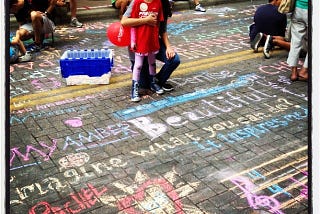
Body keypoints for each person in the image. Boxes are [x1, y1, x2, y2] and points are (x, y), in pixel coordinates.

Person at [121, 0, 180, 99]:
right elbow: (124, 21)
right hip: (139, 43)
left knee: (173, 59)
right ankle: (140, 85)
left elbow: (162, 30)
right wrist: (145, 20)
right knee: (143, 82)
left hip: (153, 42)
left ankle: (156, 81)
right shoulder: (136, 2)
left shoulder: (161, 4)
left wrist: (169, 47)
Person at [287, 0, 308, 81]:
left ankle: (294, 73)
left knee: (295, 42)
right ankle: (304, 70)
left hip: (298, 9)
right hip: (313, 10)